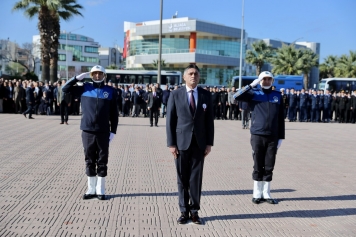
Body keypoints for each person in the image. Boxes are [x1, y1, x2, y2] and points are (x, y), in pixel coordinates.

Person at [166, 64, 214, 225]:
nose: (193, 76)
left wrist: (209, 143)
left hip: (199, 144)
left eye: (196, 74)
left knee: (196, 179)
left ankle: (194, 212)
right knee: (182, 179)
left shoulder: (206, 95)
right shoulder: (175, 94)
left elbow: (209, 122)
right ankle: (183, 211)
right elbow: (170, 121)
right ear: (184, 77)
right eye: (190, 74)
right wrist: (171, 143)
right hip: (181, 143)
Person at [62, 65, 118, 201]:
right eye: (95, 74)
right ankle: (91, 189)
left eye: (100, 74)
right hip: (87, 130)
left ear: (104, 76)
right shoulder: (84, 88)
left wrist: (113, 131)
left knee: (102, 160)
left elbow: (114, 114)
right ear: (91, 75)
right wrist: (76, 78)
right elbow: (65, 89)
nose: (97, 76)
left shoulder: (111, 91)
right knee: (89, 159)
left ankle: (100, 189)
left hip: (103, 131)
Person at [233, 71, 285, 205]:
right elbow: (236, 96)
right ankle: (257, 193)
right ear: (260, 80)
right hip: (257, 134)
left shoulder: (277, 96)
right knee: (258, 164)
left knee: (269, 165)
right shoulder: (253, 93)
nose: (266, 81)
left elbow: (281, 118)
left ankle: (266, 193)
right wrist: (251, 85)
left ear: (272, 81)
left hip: (273, 135)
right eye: (264, 79)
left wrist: (281, 137)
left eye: (269, 79)